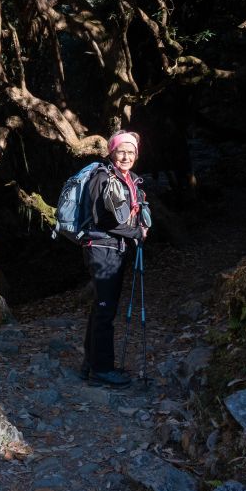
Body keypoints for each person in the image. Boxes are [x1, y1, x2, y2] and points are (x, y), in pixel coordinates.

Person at [80, 130, 150, 386]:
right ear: (111, 152)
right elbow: (104, 219)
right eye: (121, 151)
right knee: (105, 310)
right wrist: (136, 232)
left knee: (102, 307)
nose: (126, 156)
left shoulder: (126, 178)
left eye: (131, 152)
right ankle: (102, 370)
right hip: (102, 248)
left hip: (112, 248)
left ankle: (91, 364)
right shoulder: (102, 177)